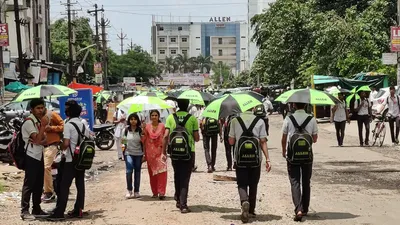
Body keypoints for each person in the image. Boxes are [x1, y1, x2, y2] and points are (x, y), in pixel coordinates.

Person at [47, 100, 91, 221]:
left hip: (70, 160)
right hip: (80, 160)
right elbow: (89, 137)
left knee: (63, 186)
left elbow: (66, 144)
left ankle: (60, 212)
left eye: (66, 109)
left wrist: (59, 146)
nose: (65, 110)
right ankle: (78, 210)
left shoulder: (68, 125)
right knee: (80, 185)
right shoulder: (82, 123)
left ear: (69, 111)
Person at [228, 108, 271, 223]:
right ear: (252, 108)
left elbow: (231, 142)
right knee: (253, 183)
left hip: (240, 158)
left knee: (241, 183)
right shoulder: (260, 121)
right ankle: (251, 210)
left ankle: (244, 201)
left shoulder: (235, 121)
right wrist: (267, 159)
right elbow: (263, 141)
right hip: (255, 159)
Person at [281, 102, 318, 222]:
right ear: (306, 105)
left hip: (292, 156)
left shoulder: (288, 118)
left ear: (294, 106)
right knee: (306, 181)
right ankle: (305, 209)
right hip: (307, 156)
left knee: (295, 181)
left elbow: (284, 138)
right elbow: (315, 139)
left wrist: (283, 151)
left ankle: (298, 210)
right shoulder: (311, 119)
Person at [163, 99, 199, 213]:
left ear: (177, 105)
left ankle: (178, 198)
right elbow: (197, 137)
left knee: (177, 174)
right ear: (188, 106)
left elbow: (165, 136)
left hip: (174, 152)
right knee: (185, 177)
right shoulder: (192, 118)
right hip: (189, 152)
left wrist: (164, 151)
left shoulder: (170, 118)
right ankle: (183, 204)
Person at [20, 98, 49, 220]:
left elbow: (45, 140)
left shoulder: (37, 121)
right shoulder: (29, 122)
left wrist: (40, 139)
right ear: (32, 109)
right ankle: (24, 210)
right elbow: (38, 139)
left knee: (38, 184)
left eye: (42, 107)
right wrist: (42, 127)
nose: (40, 110)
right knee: (29, 184)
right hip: (30, 155)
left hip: (39, 154)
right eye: (38, 108)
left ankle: (36, 208)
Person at [143, 110, 167, 199]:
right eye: (152, 115)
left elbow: (165, 139)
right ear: (150, 116)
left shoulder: (162, 126)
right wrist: (142, 130)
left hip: (160, 152)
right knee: (152, 173)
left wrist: (165, 151)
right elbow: (143, 140)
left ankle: (161, 193)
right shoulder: (147, 127)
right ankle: (154, 192)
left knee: (162, 173)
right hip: (150, 153)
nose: (154, 117)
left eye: (155, 115)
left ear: (158, 116)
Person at [41, 109, 64, 203]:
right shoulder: (35, 117)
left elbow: (62, 126)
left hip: (52, 145)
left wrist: (52, 128)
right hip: (41, 146)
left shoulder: (52, 114)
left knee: (46, 167)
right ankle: (44, 189)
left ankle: (49, 192)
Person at [122, 113, 144, 199]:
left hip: (139, 154)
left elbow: (144, 142)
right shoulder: (126, 130)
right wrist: (124, 153)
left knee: (137, 172)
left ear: (137, 120)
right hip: (128, 153)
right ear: (129, 120)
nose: (133, 121)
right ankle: (129, 190)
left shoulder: (140, 130)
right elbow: (123, 142)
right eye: (131, 119)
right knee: (129, 171)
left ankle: (136, 191)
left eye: (135, 119)